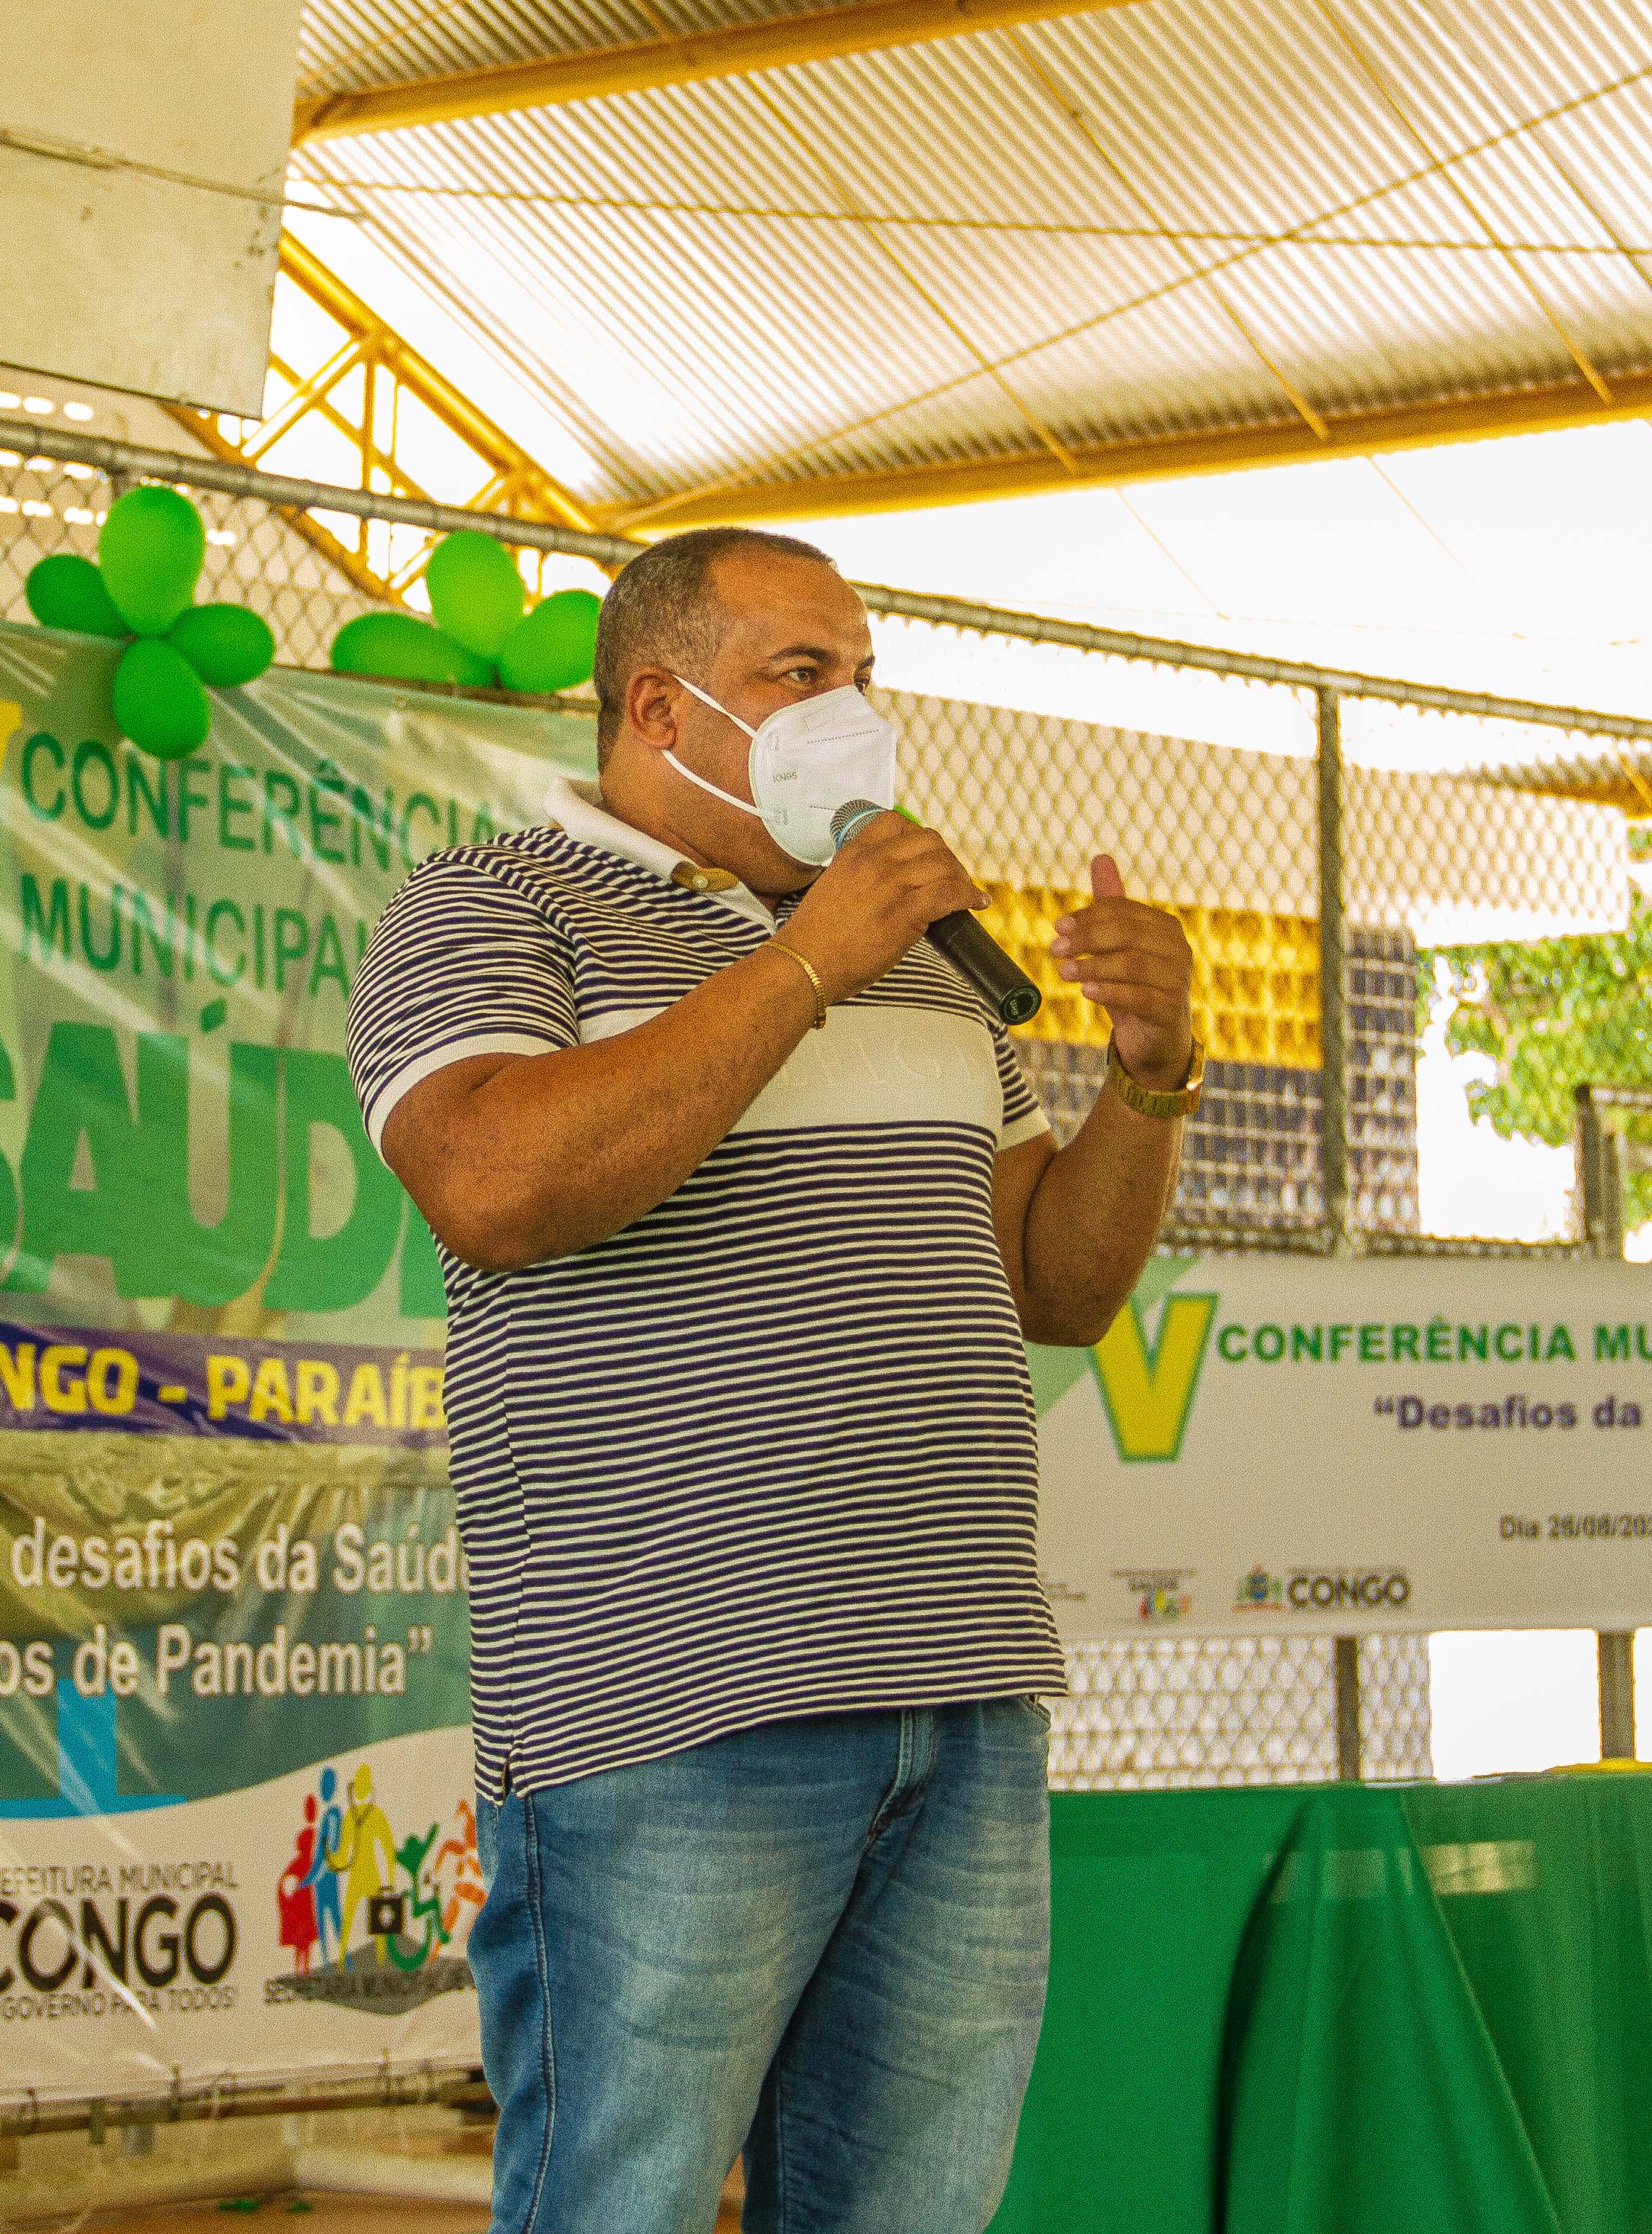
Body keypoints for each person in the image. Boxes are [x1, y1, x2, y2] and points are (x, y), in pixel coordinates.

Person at [347, 526, 1197, 2234]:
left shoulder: (929, 960)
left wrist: (1153, 1077)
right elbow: (493, 1185)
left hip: (957, 1698)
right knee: (622, 2205)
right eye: (801, 674)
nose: (850, 712)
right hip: (665, 1713)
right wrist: (804, 967)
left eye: (863, 674)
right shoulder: (493, 904)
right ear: (659, 708)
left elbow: (1061, 1286)